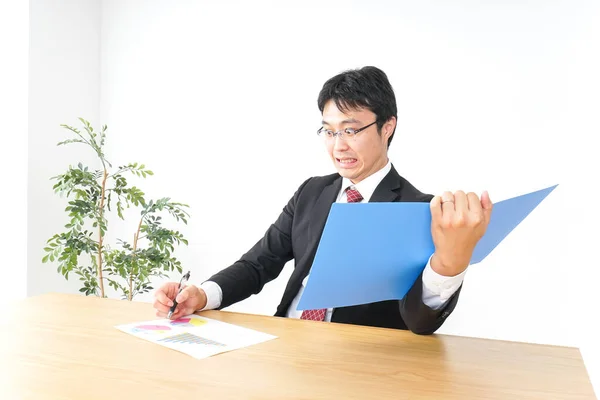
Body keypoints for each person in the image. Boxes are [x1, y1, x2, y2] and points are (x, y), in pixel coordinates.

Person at [153, 66, 492, 334]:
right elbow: (259, 263)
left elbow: (419, 320)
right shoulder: (312, 191)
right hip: (287, 340)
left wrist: (450, 264)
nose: (338, 146)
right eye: (329, 131)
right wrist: (203, 294)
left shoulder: (418, 209)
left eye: (350, 130)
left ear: (387, 127)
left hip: (355, 363)